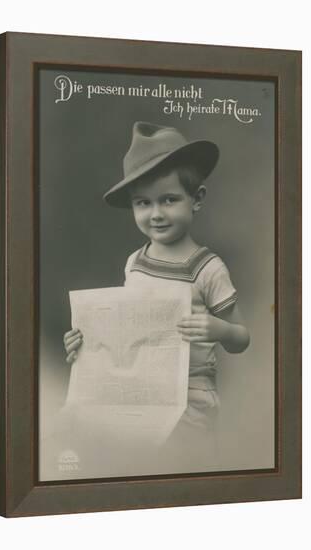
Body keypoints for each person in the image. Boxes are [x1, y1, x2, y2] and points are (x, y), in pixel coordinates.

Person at [63, 121, 250, 472]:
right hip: (138, 394)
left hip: (191, 398)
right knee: (126, 468)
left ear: (197, 200)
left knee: (183, 472)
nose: (156, 214)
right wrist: (83, 343)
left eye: (169, 199)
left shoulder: (208, 268)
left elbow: (242, 337)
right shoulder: (135, 263)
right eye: (143, 203)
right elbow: (123, 333)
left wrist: (219, 329)